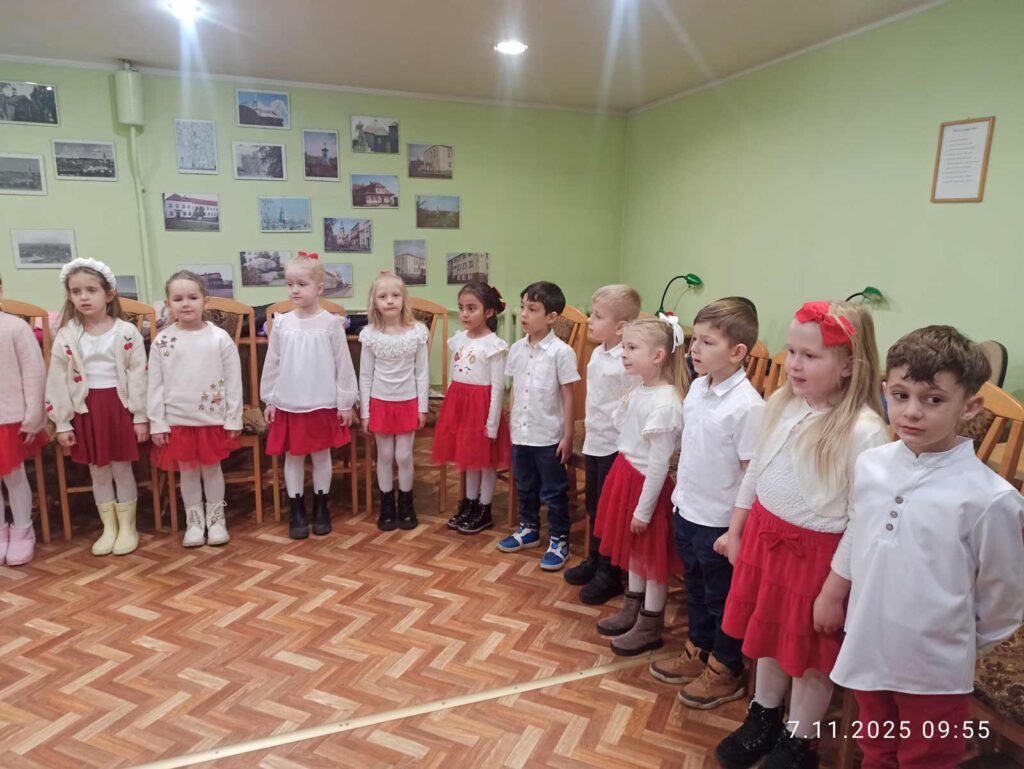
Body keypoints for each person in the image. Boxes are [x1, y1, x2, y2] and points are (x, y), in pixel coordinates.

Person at [830, 326, 1024, 769]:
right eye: (900, 396)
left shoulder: (989, 498)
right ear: (885, 393)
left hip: (934, 669)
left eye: (933, 400)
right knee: (877, 749)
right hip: (869, 644)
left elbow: (1003, 599)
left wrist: (954, 645)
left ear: (970, 406)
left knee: (927, 758)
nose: (912, 412)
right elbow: (863, 539)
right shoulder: (872, 464)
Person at [714, 300, 888, 769]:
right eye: (792, 351)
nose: (794, 364)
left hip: (820, 559)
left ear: (849, 364)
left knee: (810, 655)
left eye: (810, 356)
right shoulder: (781, 402)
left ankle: (800, 738)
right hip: (767, 539)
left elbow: (861, 520)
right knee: (769, 635)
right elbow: (756, 472)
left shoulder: (864, 431)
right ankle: (765, 715)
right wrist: (737, 529)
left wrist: (834, 591)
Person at [651, 298, 764, 710]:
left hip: (718, 522)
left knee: (722, 598)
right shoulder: (699, 387)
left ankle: (726, 667)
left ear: (737, 352)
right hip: (688, 509)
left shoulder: (748, 406)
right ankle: (698, 649)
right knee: (696, 589)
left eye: (707, 342)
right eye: (694, 339)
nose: (694, 349)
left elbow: (752, 472)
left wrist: (735, 530)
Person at [593, 315, 688, 654]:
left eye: (632, 348)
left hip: (646, 487)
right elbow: (624, 429)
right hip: (626, 474)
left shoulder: (665, 403)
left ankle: (650, 621)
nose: (624, 353)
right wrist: (625, 401)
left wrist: (644, 511)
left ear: (658, 356)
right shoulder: (641, 389)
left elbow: (660, 464)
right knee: (635, 554)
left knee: (653, 561)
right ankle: (632, 608)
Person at [45, 258, 149, 557]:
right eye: (76, 292)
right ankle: (110, 527)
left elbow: (138, 376)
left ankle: (128, 527)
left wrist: (140, 416)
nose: (84, 297)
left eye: (91, 290)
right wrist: (62, 422)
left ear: (109, 293)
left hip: (118, 407)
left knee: (121, 467)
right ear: (70, 296)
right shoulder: (67, 334)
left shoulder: (126, 332)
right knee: (98, 470)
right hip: (86, 410)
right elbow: (57, 380)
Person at [261, 253, 358, 538]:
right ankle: (297, 507)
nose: (294, 290)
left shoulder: (331, 324)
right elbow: (273, 363)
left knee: (320, 454)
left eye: (301, 283)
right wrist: (270, 398)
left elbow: (344, 365)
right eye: (290, 283)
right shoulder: (282, 323)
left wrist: (345, 402)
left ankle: (321, 506)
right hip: (290, 401)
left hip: (321, 400)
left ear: (319, 287)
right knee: (292, 456)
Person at [149, 271, 243, 547]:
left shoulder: (219, 338)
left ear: (206, 300)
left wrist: (233, 418)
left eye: (192, 297)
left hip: (211, 419)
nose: (185, 304)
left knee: (212, 469)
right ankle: (194, 521)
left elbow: (234, 381)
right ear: (168, 303)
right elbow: (154, 385)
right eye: (178, 299)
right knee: (188, 472)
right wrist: (157, 422)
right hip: (178, 419)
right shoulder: (163, 341)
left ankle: (216, 519)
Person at [564, 284, 641, 604]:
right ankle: (595, 560)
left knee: (611, 511)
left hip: (616, 446)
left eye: (598, 316)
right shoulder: (598, 352)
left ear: (621, 327)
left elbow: (634, 404)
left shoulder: (627, 360)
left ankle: (610, 573)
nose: (590, 321)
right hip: (596, 440)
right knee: (594, 505)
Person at [497, 281, 580, 570]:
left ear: (551, 317)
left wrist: (567, 435)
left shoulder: (561, 352)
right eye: (522, 307)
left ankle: (559, 538)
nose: (523, 314)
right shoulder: (518, 349)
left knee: (554, 491)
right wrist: (510, 419)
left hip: (548, 435)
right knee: (526, 484)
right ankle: (529, 528)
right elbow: (514, 388)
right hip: (521, 432)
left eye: (532, 309)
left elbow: (569, 395)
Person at [433, 281, 511, 535]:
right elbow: (453, 374)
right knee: (468, 459)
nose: (464, 314)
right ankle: (469, 501)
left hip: (481, 409)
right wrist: (449, 400)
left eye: (471, 308)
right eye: (461, 308)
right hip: (460, 405)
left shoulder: (494, 345)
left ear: (488, 312)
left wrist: (491, 425)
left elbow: (498, 387)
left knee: (485, 461)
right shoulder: (459, 339)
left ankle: (484, 507)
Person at [359, 272, 429, 531]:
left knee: (404, 455)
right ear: (374, 302)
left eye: (395, 295)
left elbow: (422, 373)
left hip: (407, 401)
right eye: (383, 296)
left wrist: (422, 407)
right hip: (380, 402)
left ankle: (407, 503)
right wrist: (365, 412)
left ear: (403, 299)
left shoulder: (417, 333)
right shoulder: (370, 335)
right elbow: (365, 376)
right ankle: (387, 503)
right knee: (385, 454)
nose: (390, 301)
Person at [0, 273, 48, 566]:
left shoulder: (15, 327)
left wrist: (33, 416)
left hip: (10, 416)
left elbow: (35, 373)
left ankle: (22, 529)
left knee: (14, 475)